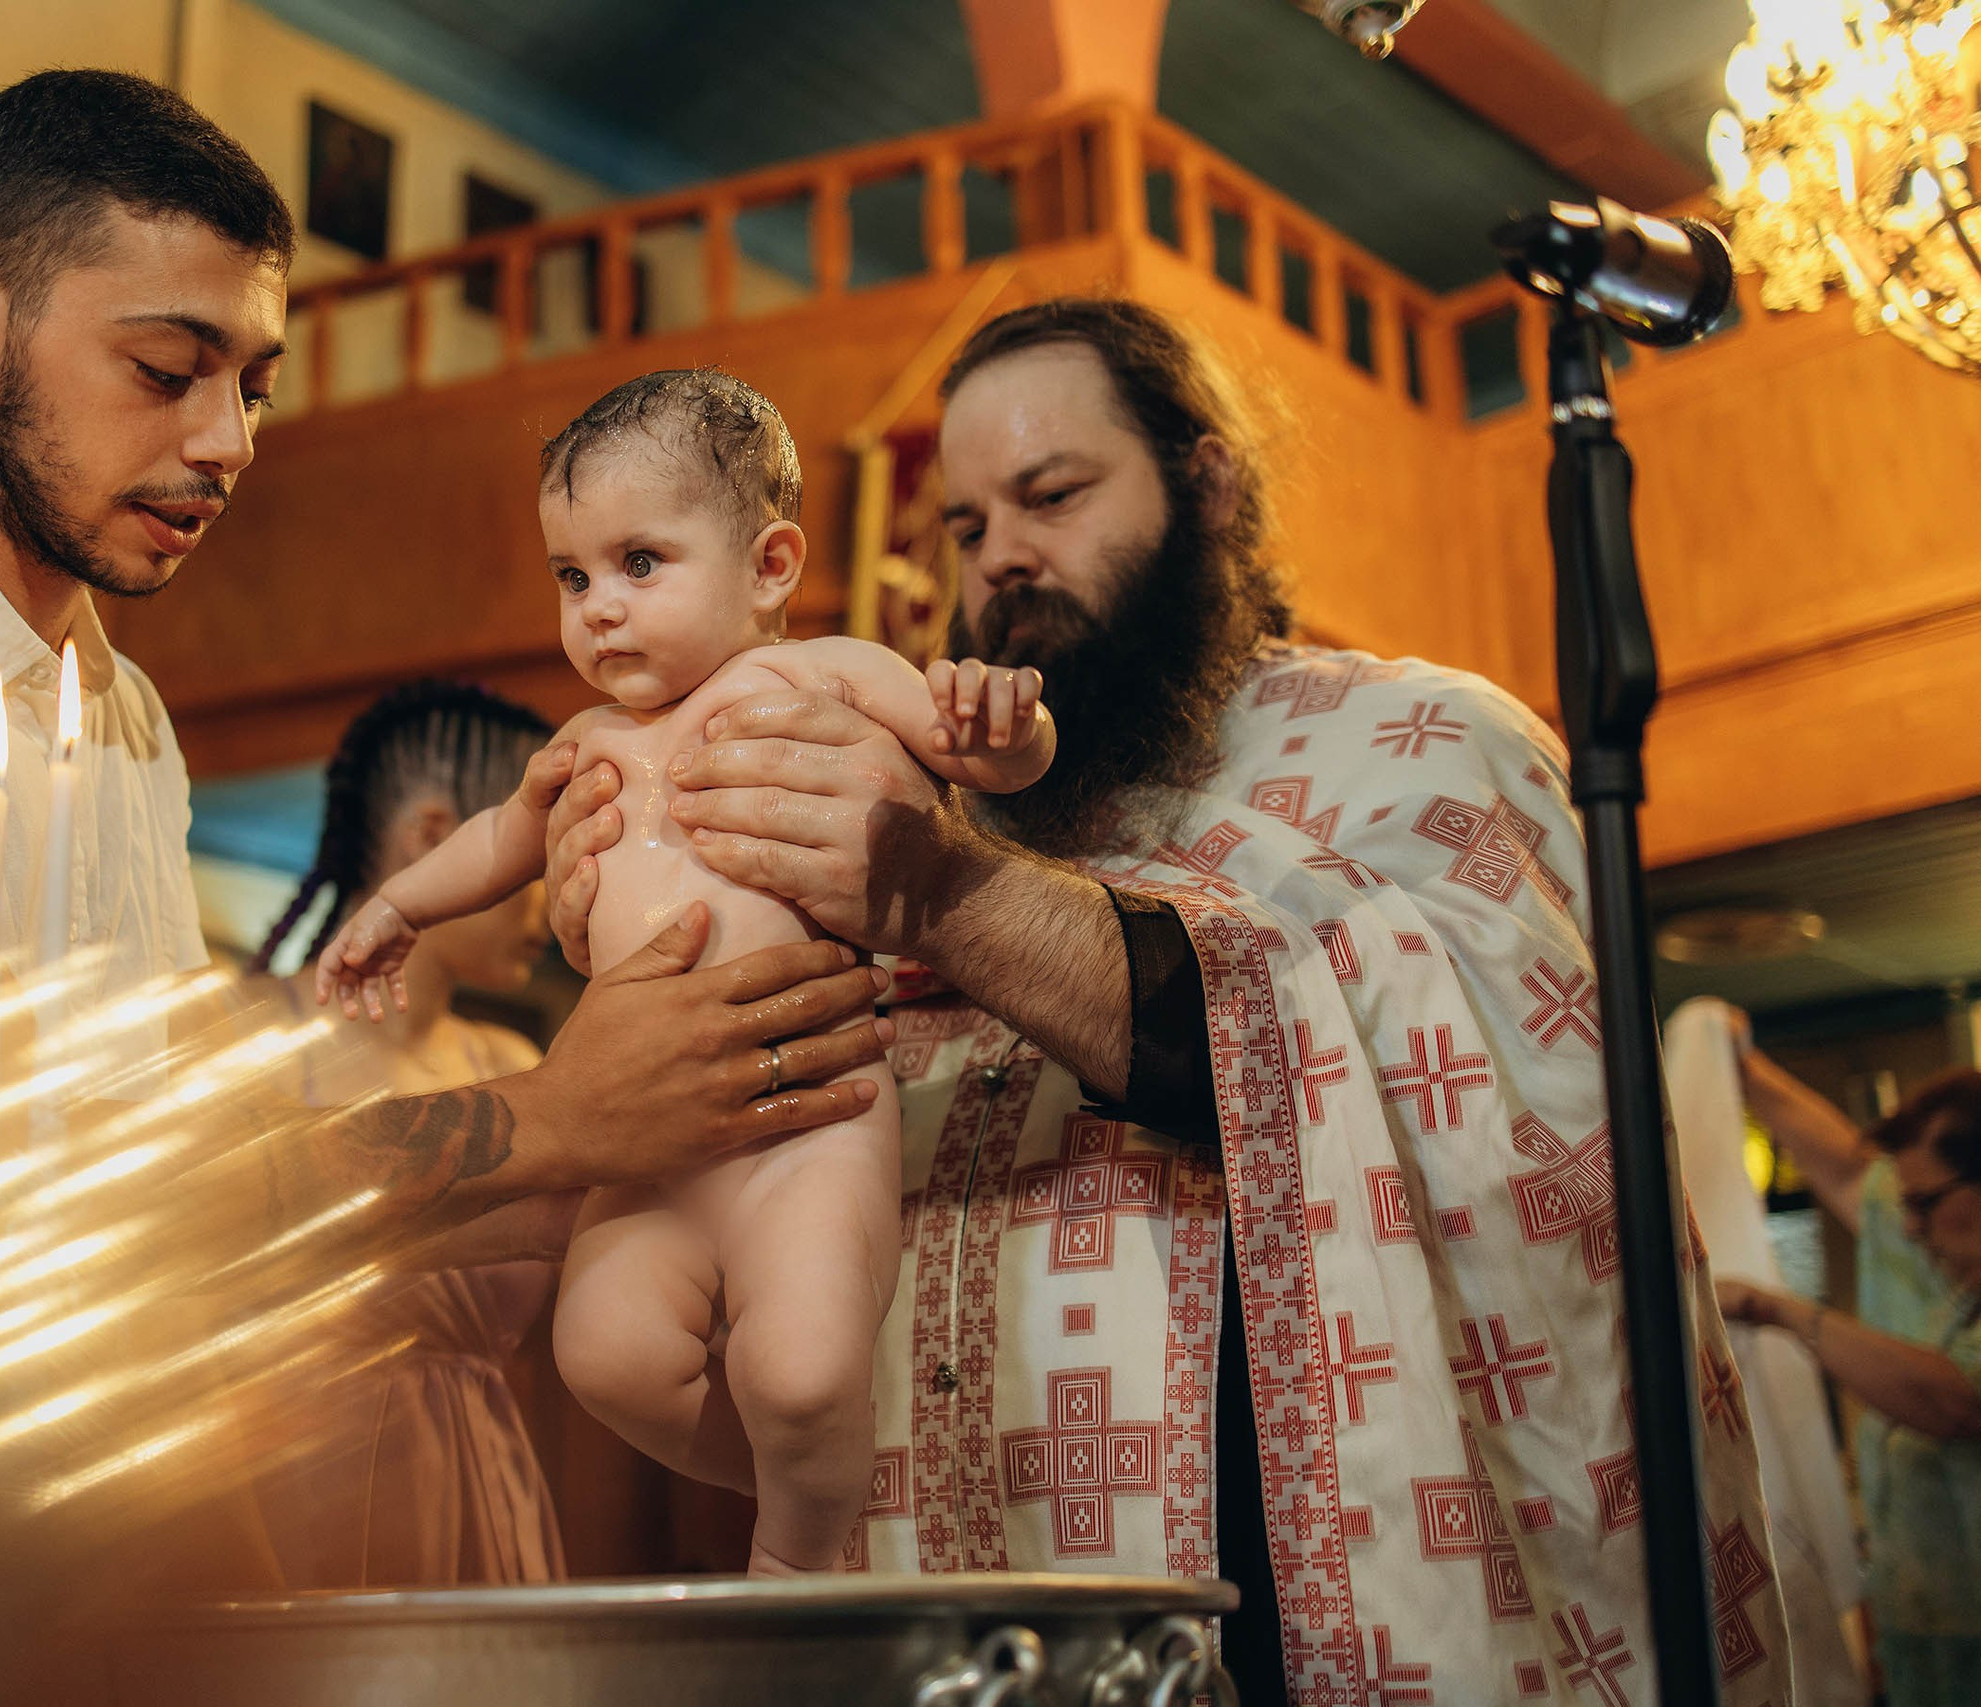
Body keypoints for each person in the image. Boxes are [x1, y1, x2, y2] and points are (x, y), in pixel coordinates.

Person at [0, 70, 890, 1611]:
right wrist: (550, 1122)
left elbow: (162, 1188)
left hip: (58, 1516)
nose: (228, 440)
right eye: (166, 365)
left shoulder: (119, 719)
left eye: (253, 384)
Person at [541, 300, 1790, 1703]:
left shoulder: (1422, 742)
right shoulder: (916, 776)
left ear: (1209, 485)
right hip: (949, 1594)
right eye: (962, 527)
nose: (1001, 552)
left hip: (1274, 1598)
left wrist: (948, 895)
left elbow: (1500, 1123)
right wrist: (608, 898)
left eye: (1053, 493)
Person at [317, 370, 1052, 1575]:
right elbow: (502, 841)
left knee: (800, 1363)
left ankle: (801, 1553)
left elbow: (968, 753)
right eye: (573, 577)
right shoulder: (586, 741)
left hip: (802, 1121)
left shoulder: (821, 674)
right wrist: (397, 902)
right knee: (603, 1355)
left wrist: (1006, 732)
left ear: (768, 566)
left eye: (639, 563)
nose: (599, 609)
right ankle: (812, 1488)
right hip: (642, 1146)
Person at [239, 681, 572, 1588]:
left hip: (491, 1478)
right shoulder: (245, 1037)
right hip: (305, 1492)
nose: (557, 891)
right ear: (432, 836)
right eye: (537, 854)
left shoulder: (514, 1058)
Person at [1715, 1057, 1981, 1707]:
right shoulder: (1956, 1299)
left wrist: (1778, 1308)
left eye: (1923, 1203)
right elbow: (1850, 1170)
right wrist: (1734, 1059)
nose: (1909, 1226)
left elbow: (1955, 1400)